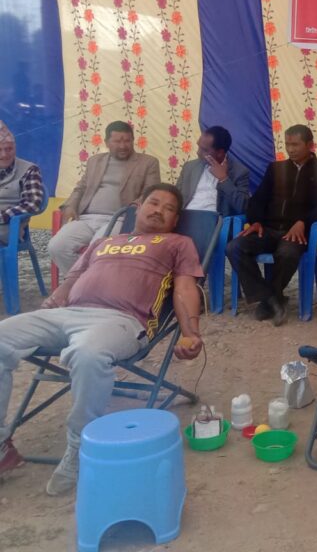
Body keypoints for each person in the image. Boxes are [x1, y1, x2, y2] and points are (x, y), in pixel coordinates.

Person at [0, 183, 204, 495]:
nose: (159, 211)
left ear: (175, 221)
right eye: (154, 203)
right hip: (68, 314)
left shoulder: (177, 243)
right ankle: (2, 446)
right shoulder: (104, 241)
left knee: (88, 354)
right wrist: (50, 307)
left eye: (169, 209)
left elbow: (186, 288)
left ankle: (80, 446)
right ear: (138, 206)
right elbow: (71, 280)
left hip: (121, 321)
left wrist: (191, 334)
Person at [226, 125, 317, 326]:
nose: (291, 149)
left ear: (310, 145)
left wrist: (303, 222)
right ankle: (270, 297)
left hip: (296, 234)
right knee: (234, 247)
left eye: (295, 144)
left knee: (287, 253)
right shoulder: (275, 169)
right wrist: (256, 221)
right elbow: (258, 199)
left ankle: (269, 300)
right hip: (268, 229)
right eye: (287, 144)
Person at [48, 121, 161, 276]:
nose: (123, 146)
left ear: (133, 140)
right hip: (86, 218)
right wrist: (69, 206)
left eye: (127, 141)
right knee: (57, 247)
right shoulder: (95, 161)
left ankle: (88, 284)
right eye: (117, 141)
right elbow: (80, 188)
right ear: (107, 142)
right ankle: (83, 283)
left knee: (98, 248)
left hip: (119, 219)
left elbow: (151, 192)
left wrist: (135, 206)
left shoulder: (148, 162)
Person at [176, 125, 250, 216]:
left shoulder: (239, 172)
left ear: (220, 153)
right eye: (199, 147)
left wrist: (224, 179)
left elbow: (243, 207)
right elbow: (175, 197)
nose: (198, 152)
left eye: (204, 150)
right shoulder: (189, 167)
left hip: (214, 221)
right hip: (184, 217)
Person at [0, 120, 45, 246]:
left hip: (8, 227)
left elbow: (32, 204)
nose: (4, 154)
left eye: (9, 149)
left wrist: (2, 216)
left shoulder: (29, 169)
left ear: (15, 148)